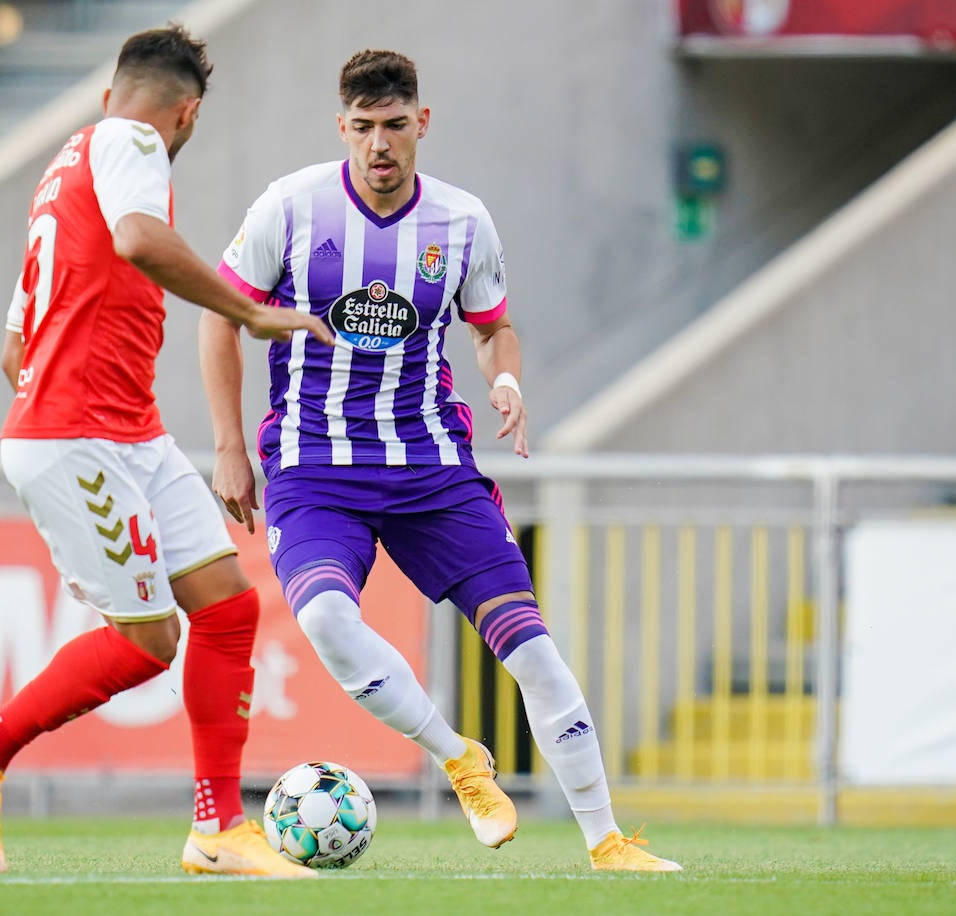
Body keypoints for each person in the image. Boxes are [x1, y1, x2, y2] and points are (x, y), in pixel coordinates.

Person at [199, 48, 680, 872]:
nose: (379, 146)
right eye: (362, 128)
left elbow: (493, 326)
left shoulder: (461, 221)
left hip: (431, 470)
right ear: (340, 126)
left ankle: (607, 842)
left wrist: (506, 378)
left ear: (422, 123)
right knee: (321, 618)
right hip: (316, 470)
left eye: (394, 126)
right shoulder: (291, 207)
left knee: (532, 649)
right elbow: (220, 316)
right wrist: (229, 448)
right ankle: (459, 756)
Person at [0, 24, 333, 878]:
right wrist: (252, 313)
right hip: (81, 436)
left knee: (226, 606)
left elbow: (14, 353)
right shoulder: (134, 144)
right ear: (186, 115)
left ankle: (217, 831)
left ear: (110, 91)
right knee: (147, 641)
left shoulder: (64, 171)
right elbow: (141, 241)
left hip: (124, 432)